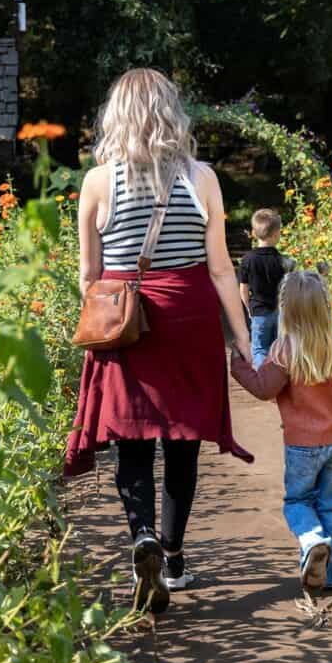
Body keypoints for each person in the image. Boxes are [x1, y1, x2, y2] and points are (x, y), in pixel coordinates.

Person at [66, 68, 255, 614]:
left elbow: (88, 275)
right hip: (189, 320)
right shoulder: (203, 178)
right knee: (182, 443)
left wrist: (106, 320)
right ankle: (172, 558)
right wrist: (242, 340)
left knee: (131, 442)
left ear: (115, 116)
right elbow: (221, 270)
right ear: (172, 112)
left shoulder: (98, 182)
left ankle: (141, 536)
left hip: (127, 321)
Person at [229, 271, 332, 591]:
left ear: (286, 310)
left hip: (301, 446)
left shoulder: (283, 350)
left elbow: (264, 388)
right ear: (326, 308)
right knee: (331, 506)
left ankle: (311, 541)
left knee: (298, 502)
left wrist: (238, 365)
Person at [238, 209, 287, 367]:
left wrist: (248, 308)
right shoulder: (283, 261)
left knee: (259, 349)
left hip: (258, 312)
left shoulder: (247, 260)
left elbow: (243, 289)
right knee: (279, 348)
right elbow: (288, 289)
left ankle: (262, 379)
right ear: (276, 234)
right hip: (279, 311)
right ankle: (279, 381)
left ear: (253, 232)